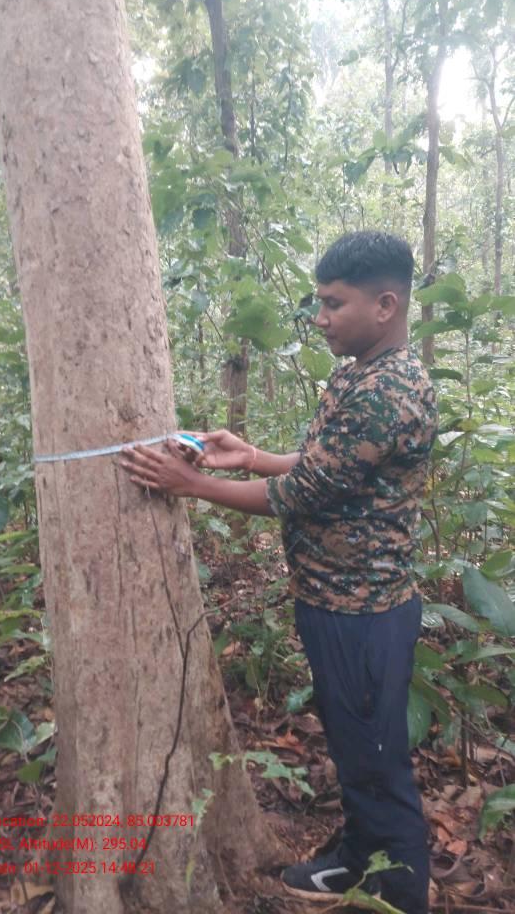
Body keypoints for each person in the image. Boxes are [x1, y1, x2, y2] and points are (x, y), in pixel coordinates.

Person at [120, 230, 438, 913]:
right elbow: (329, 467)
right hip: (334, 603)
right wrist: (252, 456)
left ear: (385, 306)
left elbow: (298, 496)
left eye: (333, 304)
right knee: (357, 753)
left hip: (363, 615)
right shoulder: (359, 372)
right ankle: (358, 859)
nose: (319, 318)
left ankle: (400, 891)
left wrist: (190, 484)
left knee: (376, 764)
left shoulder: (389, 390)